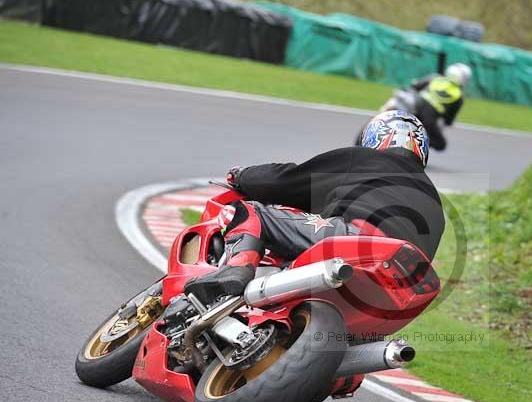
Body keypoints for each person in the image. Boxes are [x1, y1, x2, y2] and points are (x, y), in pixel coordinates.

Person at [184, 110, 445, 305]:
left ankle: (235, 271)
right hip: (400, 286)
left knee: (253, 213)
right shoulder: (434, 200)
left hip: (357, 241)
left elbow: (287, 181)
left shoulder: (364, 159)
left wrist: (242, 176)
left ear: (375, 138)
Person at [408, 62, 472, 151]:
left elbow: (415, 86)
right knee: (441, 144)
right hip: (428, 118)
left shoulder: (435, 78)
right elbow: (448, 120)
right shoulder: (458, 96)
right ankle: (415, 144)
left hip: (413, 105)